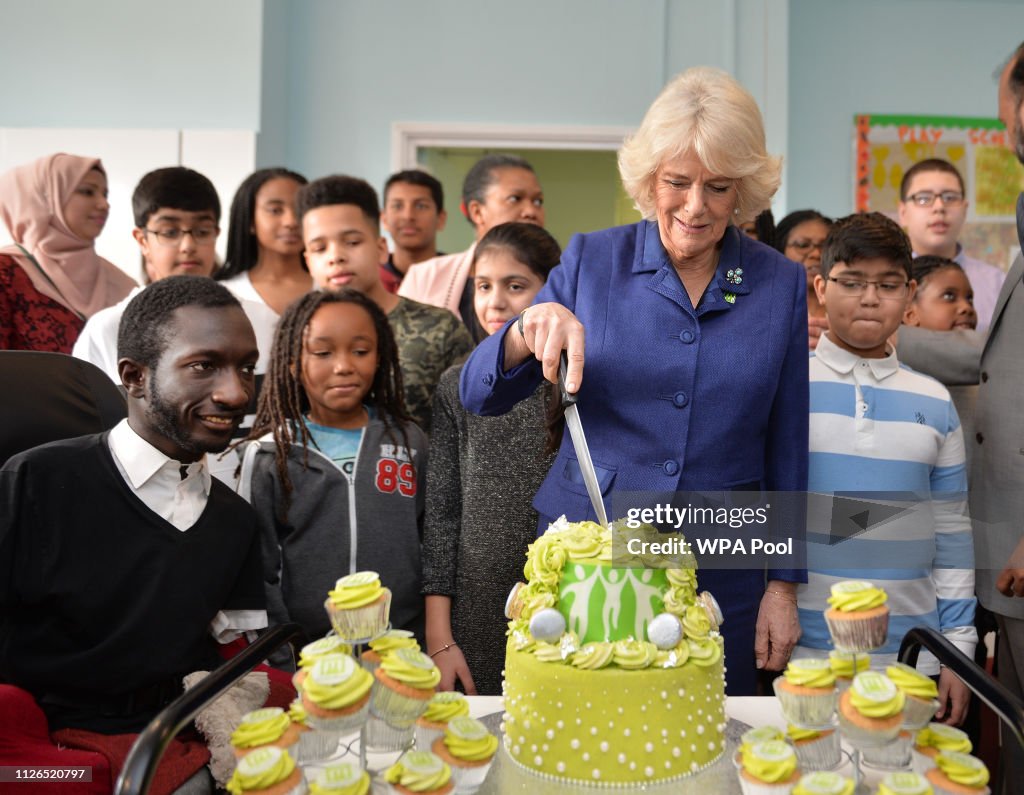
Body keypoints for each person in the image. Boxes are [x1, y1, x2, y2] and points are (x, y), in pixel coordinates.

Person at [459, 67, 808, 696]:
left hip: (721, 560)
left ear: (745, 192)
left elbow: (787, 442)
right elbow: (479, 393)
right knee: (583, 734)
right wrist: (525, 327)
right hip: (591, 549)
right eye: (677, 182)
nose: (696, 207)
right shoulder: (594, 259)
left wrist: (782, 585)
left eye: (719, 187)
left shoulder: (779, 283)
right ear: (650, 181)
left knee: (708, 742)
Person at [0, 275, 266, 735]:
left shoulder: (235, 521)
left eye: (246, 368)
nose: (237, 394)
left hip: (177, 735)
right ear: (134, 377)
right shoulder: (33, 483)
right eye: (204, 366)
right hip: (39, 741)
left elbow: (224, 654)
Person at [793, 213, 975, 725]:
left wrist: (957, 650)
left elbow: (953, 533)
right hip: (806, 656)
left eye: (888, 285)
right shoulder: (787, 390)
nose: (870, 298)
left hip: (914, 657)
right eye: (852, 282)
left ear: (909, 293)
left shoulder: (935, 401)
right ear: (822, 288)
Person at [238, 289, 427, 650]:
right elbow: (259, 568)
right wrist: (280, 657)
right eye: (323, 353)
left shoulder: (408, 440)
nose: (343, 365)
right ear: (292, 361)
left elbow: (431, 540)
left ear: (380, 355)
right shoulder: (269, 453)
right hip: (310, 653)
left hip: (403, 645)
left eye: (360, 351)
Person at [422, 222, 560, 695]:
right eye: (483, 286)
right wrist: (440, 638)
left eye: (515, 286)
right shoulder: (455, 385)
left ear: (555, 289)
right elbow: (442, 516)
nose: (495, 302)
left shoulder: (576, 378)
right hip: (477, 606)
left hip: (567, 598)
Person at [297, 175, 473, 433]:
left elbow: (468, 428)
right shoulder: (297, 333)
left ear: (381, 248)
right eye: (320, 248)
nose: (336, 256)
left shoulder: (440, 328)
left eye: (352, 242)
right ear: (308, 261)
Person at [73, 167, 278, 382]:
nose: (188, 246)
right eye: (170, 232)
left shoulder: (263, 322)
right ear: (142, 240)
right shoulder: (107, 330)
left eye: (202, 232)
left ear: (216, 234)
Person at [0, 153, 136, 353]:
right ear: (46, 199)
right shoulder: (7, 273)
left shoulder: (122, 285)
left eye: (104, 194)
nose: (103, 204)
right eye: (88, 192)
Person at [399, 154, 545, 332]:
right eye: (515, 198)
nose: (531, 211)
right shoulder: (424, 278)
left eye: (537, 201)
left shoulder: (563, 277)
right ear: (477, 212)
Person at [898, 158, 1006, 331]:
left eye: (950, 197)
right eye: (924, 199)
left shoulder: (999, 285)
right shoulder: (885, 280)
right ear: (903, 212)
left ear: (964, 209)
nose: (939, 207)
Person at [218, 167, 311, 316]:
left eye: (300, 209)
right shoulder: (224, 293)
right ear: (250, 221)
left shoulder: (331, 289)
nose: (291, 222)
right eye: (275, 210)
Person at [380, 169, 447, 293]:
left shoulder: (459, 278)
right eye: (397, 206)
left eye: (421, 206)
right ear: (384, 219)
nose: (408, 216)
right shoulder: (372, 281)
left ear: (440, 219)